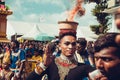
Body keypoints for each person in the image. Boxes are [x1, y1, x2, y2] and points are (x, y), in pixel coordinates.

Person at [26, 21, 94, 80]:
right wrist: (43, 65)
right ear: (59, 45)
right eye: (67, 44)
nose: (70, 47)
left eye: (73, 44)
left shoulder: (82, 67)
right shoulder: (51, 64)